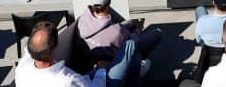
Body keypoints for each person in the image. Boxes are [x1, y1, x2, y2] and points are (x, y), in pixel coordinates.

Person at [14, 20, 142, 87]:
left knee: (134, 58)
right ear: (55, 47)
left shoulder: (22, 67)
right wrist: (101, 70)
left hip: (84, 80)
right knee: (129, 47)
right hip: (99, 83)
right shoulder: (65, 80)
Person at [77, 0, 160, 70]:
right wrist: (138, 29)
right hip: (115, 64)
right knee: (157, 33)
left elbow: (105, 29)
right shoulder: (117, 31)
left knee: (130, 24)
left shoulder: (81, 20)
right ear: (109, 2)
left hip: (96, 62)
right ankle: (138, 63)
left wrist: (127, 24)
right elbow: (132, 42)